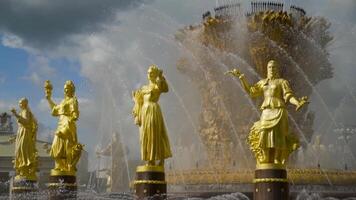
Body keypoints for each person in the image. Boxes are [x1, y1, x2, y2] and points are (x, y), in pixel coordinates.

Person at [226, 60, 308, 165]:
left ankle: (277, 158)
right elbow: (251, 92)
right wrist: (242, 78)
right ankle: (266, 156)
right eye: (269, 67)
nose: (271, 69)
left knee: (279, 135)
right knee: (263, 132)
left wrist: (297, 103)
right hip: (266, 111)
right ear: (267, 69)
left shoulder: (282, 82)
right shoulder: (262, 82)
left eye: (273, 67)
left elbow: (288, 96)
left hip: (279, 110)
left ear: (276, 69)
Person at [132, 65, 172, 167]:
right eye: (148, 73)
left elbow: (165, 89)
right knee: (145, 135)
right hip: (144, 113)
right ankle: (150, 159)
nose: (149, 74)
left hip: (153, 110)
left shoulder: (157, 85)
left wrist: (161, 77)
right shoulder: (144, 88)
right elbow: (138, 102)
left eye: (152, 73)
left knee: (155, 134)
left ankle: (160, 160)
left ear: (155, 74)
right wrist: (136, 115)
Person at [45, 80, 81, 174]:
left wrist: (74, 117)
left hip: (68, 125)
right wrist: (49, 99)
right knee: (57, 146)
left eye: (68, 89)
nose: (66, 91)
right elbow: (55, 110)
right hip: (61, 124)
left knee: (66, 146)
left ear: (72, 90)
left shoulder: (73, 100)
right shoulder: (63, 101)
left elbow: (75, 113)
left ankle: (68, 166)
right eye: (65, 89)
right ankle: (60, 165)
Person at [11, 98, 38, 180]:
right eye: (19, 103)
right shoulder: (22, 112)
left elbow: (26, 122)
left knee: (23, 149)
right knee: (19, 151)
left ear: (25, 104)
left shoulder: (26, 111)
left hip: (25, 133)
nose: (19, 105)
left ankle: (25, 167)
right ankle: (22, 168)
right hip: (21, 133)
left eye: (21, 103)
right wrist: (15, 138)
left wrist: (16, 114)